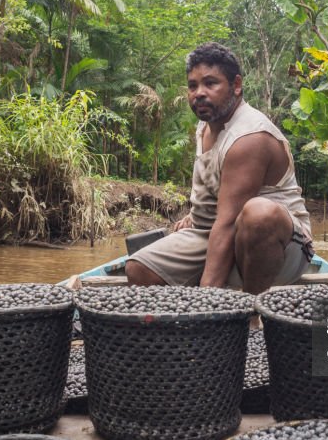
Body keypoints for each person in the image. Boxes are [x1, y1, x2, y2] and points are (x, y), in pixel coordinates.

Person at [125, 42, 314, 294]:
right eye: (193, 86)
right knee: (139, 269)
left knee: (259, 214)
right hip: (211, 233)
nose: (199, 93)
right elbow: (216, 191)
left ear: (236, 86)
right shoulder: (206, 124)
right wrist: (195, 217)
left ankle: (250, 310)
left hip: (281, 247)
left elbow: (226, 223)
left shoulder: (249, 136)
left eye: (210, 83)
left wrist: (208, 300)